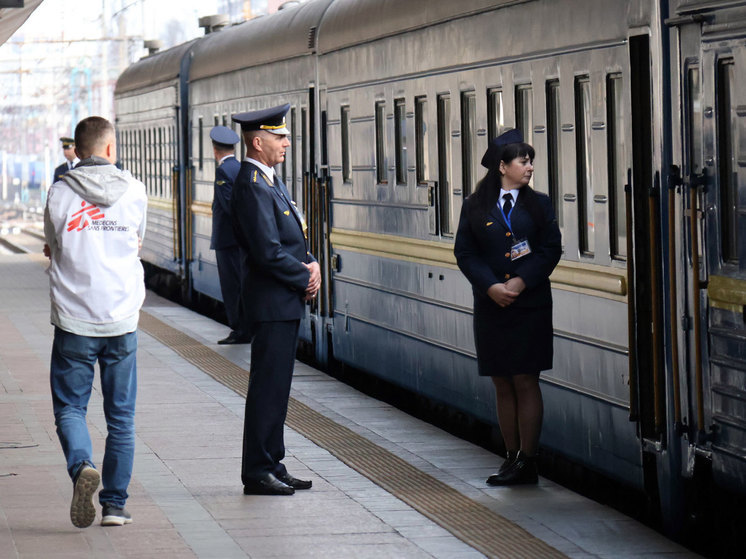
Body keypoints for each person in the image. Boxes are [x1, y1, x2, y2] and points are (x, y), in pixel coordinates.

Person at [44, 116, 147, 527]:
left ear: (79, 150)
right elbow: (136, 242)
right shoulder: (135, 190)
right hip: (121, 317)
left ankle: (82, 466)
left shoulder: (58, 193)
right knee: (121, 417)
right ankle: (115, 506)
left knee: (71, 407)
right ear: (107, 149)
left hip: (74, 318)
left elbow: (52, 246)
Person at [454, 128, 561, 486]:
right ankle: (511, 456)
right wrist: (490, 286)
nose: (530, 167)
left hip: (529, 305)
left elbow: (550, 249)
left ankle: (528, 460)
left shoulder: (540, 204)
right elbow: (465, 252)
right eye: (523, 160)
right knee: (502, 381)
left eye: (530, 161)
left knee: (526, 380)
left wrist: (520, 281)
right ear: (503, 166)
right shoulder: (475, 206)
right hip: (492, 306)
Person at [231, 103, 320, 496]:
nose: (286, 142)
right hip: (271, 303)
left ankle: (273, 462)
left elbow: (291, 236)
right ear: (257, 141)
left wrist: (312, 263)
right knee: (268, 388)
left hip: (282, 300)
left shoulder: (268, 180)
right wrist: (305, 276)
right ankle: (258, 470)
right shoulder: (252, 184)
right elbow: (267, 251)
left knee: (277, 387)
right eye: (279, 136)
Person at [209, 125, 251, 345]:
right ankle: (243, 327)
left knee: (231, 285)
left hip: (228, 240)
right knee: (239, 283)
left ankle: (239, 330)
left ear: (215, 149)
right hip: (238, 239)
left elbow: (227, 205)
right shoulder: (240, 168)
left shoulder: (223, 171)